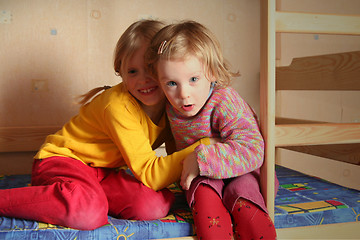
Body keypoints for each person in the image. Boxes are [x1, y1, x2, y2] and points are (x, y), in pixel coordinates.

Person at [0, 19, 210, 230]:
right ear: (120, 72)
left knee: (152, 206)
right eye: (132, 72)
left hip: (103, 172)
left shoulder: (172, 102)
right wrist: (206, 146)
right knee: (88, 214)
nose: (143, 80)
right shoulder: (117, 105)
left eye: (150, 69)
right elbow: (152, 174)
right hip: (62, 161)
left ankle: (87, 196)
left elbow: (178, 153)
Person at [146, 20, 277, 240]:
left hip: (243, 170)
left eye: (194, 79)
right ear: (159, 82)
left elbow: (254, 149)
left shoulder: (224, 100)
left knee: (244, 200)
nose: (184, 94)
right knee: (205, 203)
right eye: (171, 83)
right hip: (202, 176)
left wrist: (200, 159)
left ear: (213, 73)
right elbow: (149, 139)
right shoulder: (168, 107)